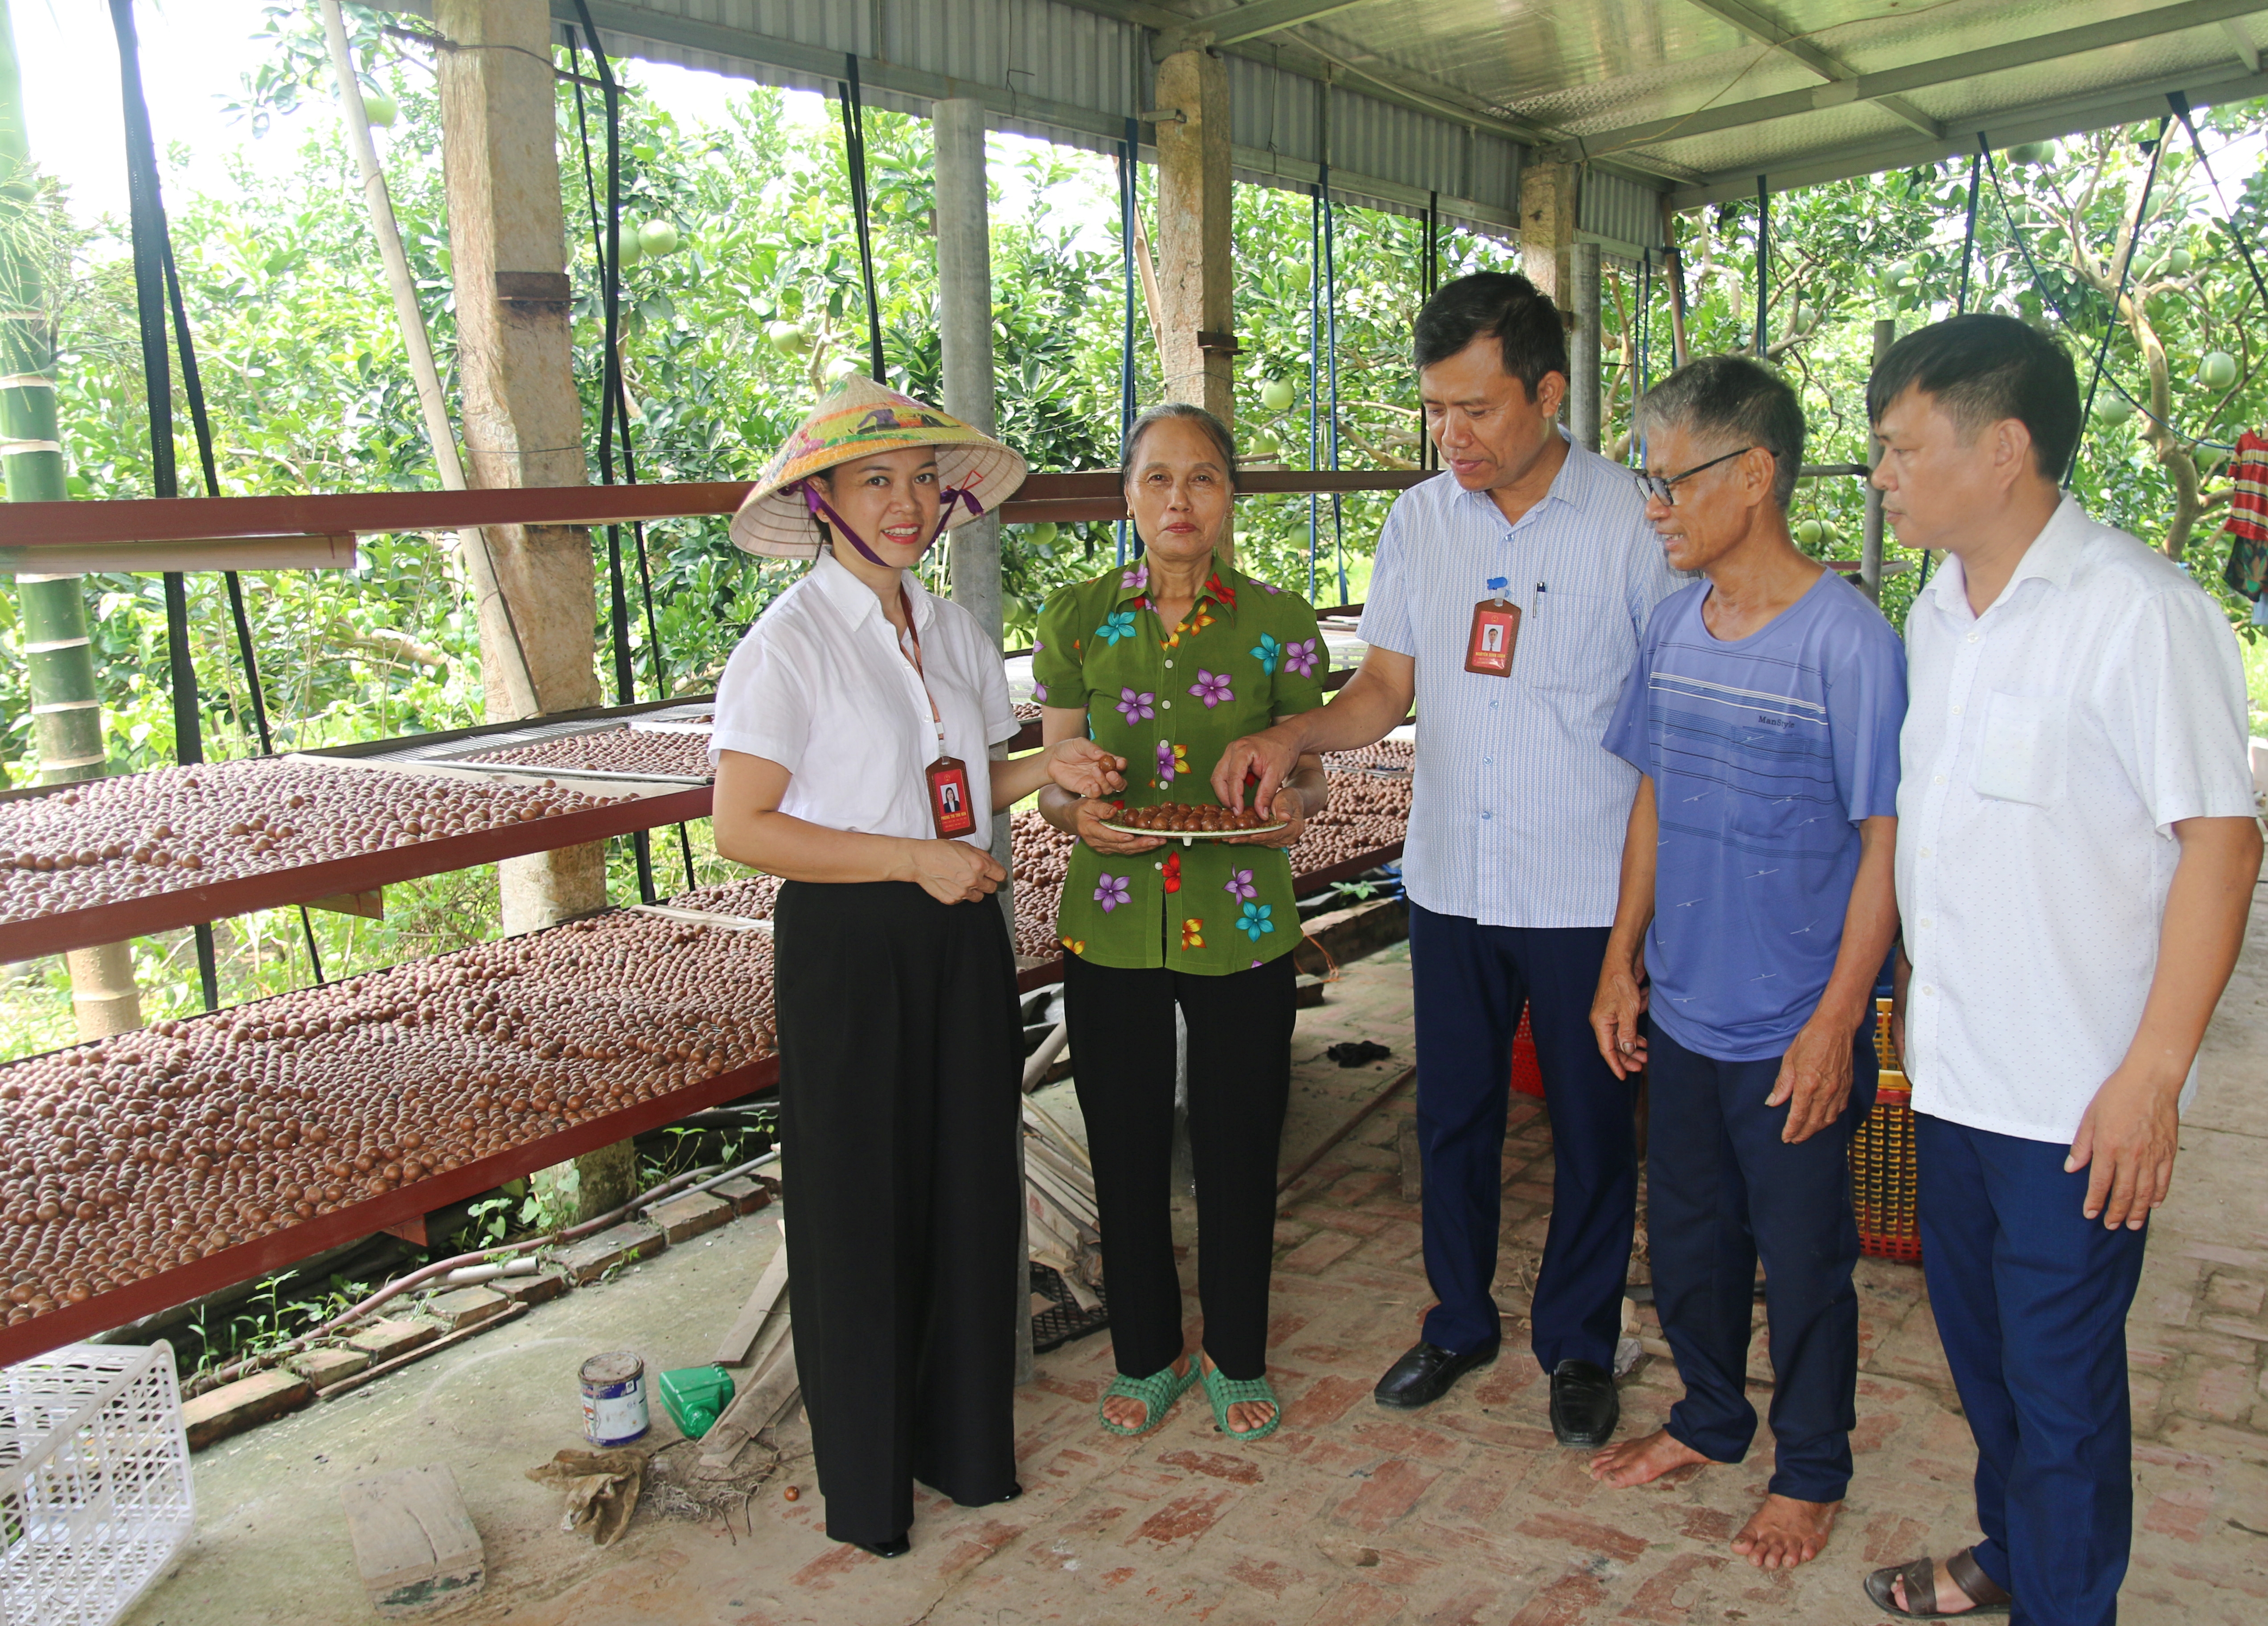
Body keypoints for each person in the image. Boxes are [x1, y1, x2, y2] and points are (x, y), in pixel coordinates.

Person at [1215, 272, 1682, 1447]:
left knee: (1591, 1125)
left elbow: (1670, 726)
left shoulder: (1637, 521)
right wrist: (1291, 732)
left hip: (1583, 890)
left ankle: (1578, 1343)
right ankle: (1459, 1319)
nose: (1451, 435)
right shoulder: (1421, 522)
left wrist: (1638, 927)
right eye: (1435, 410)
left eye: (1475, 408)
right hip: (1456, 884)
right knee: (1454, 1119)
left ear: (1548, 392)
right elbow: (1382, 690)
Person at [1856, 316, 2260, 1623]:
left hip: (2077, 1107)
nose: (1883, 475)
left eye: (1903, 446)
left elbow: (2220, 842)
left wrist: (2153, 1074)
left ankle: (2062, 1597)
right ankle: (2015, 1557)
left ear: (2006, 447)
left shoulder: (2139, 612)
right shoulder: (1936, 611)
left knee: (2063, 1393)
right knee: (1985, 1361)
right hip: (1959, 1080)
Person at [709, 376, 1125, 1559]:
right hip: (849, 943)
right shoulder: (787, 646)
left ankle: (964, 1446)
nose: (905, 503)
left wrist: (1054, 771)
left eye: (920, 481)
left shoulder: (950, 632)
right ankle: (871, 1484)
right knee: (858, 1207)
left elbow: (964, 784)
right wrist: (906, 863)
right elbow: (744, 828)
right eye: (874, 481)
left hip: (957, 930)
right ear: (823, 502)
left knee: (965, 1184)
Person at [1584, 356, 1906, 1571]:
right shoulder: (1676, 621)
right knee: (1688, 1238)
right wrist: (1623, 963)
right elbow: (1654, 800)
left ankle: (1812, 1466)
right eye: (1644, 480)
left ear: (1755, 474)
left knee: (1808, 1261)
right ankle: (1710, 1418)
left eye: (1668, 480)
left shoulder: (1850, 645)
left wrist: (1839, 1024)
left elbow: (1885, 850)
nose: (1653, 506)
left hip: (1792, 1025)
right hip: (1686, 1009)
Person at [1033, 403, 1332, 1443]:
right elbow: (1052, 787)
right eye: (1157, 478)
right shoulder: (1076, 620)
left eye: (1202, 478)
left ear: (1228, 499)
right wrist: (1083, 817)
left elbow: (1316, 779)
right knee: (1120, 1140)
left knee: (1238, 1139)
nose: (1179, 500)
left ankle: (1236, 1353)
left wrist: (1291, 803)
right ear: (1127, 496)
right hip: (1111, 916)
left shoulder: (1278, 622)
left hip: (1242, 912)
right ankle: (1146, 1352)